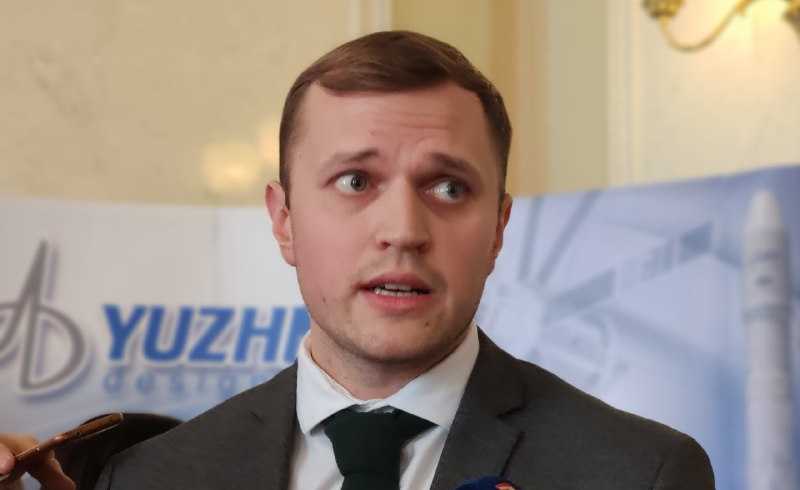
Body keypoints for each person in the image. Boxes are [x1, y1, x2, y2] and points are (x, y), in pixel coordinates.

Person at [1, 30, 715, 489]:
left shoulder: (640, 473)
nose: (403, 230)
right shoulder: (152, 477)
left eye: (448, 187)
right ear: (284, 220)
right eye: (354, 181)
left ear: (499, 228)